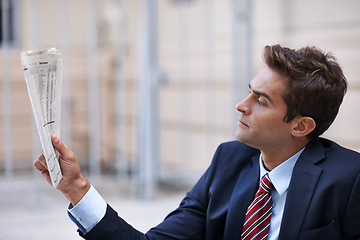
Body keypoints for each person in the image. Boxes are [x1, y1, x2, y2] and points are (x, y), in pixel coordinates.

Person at [34, 44, 360, 240]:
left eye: (261, 100)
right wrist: (76, 188)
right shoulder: (228, 163)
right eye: (249, 90)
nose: (241, 104)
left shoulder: (349, 178)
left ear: (301, 126)